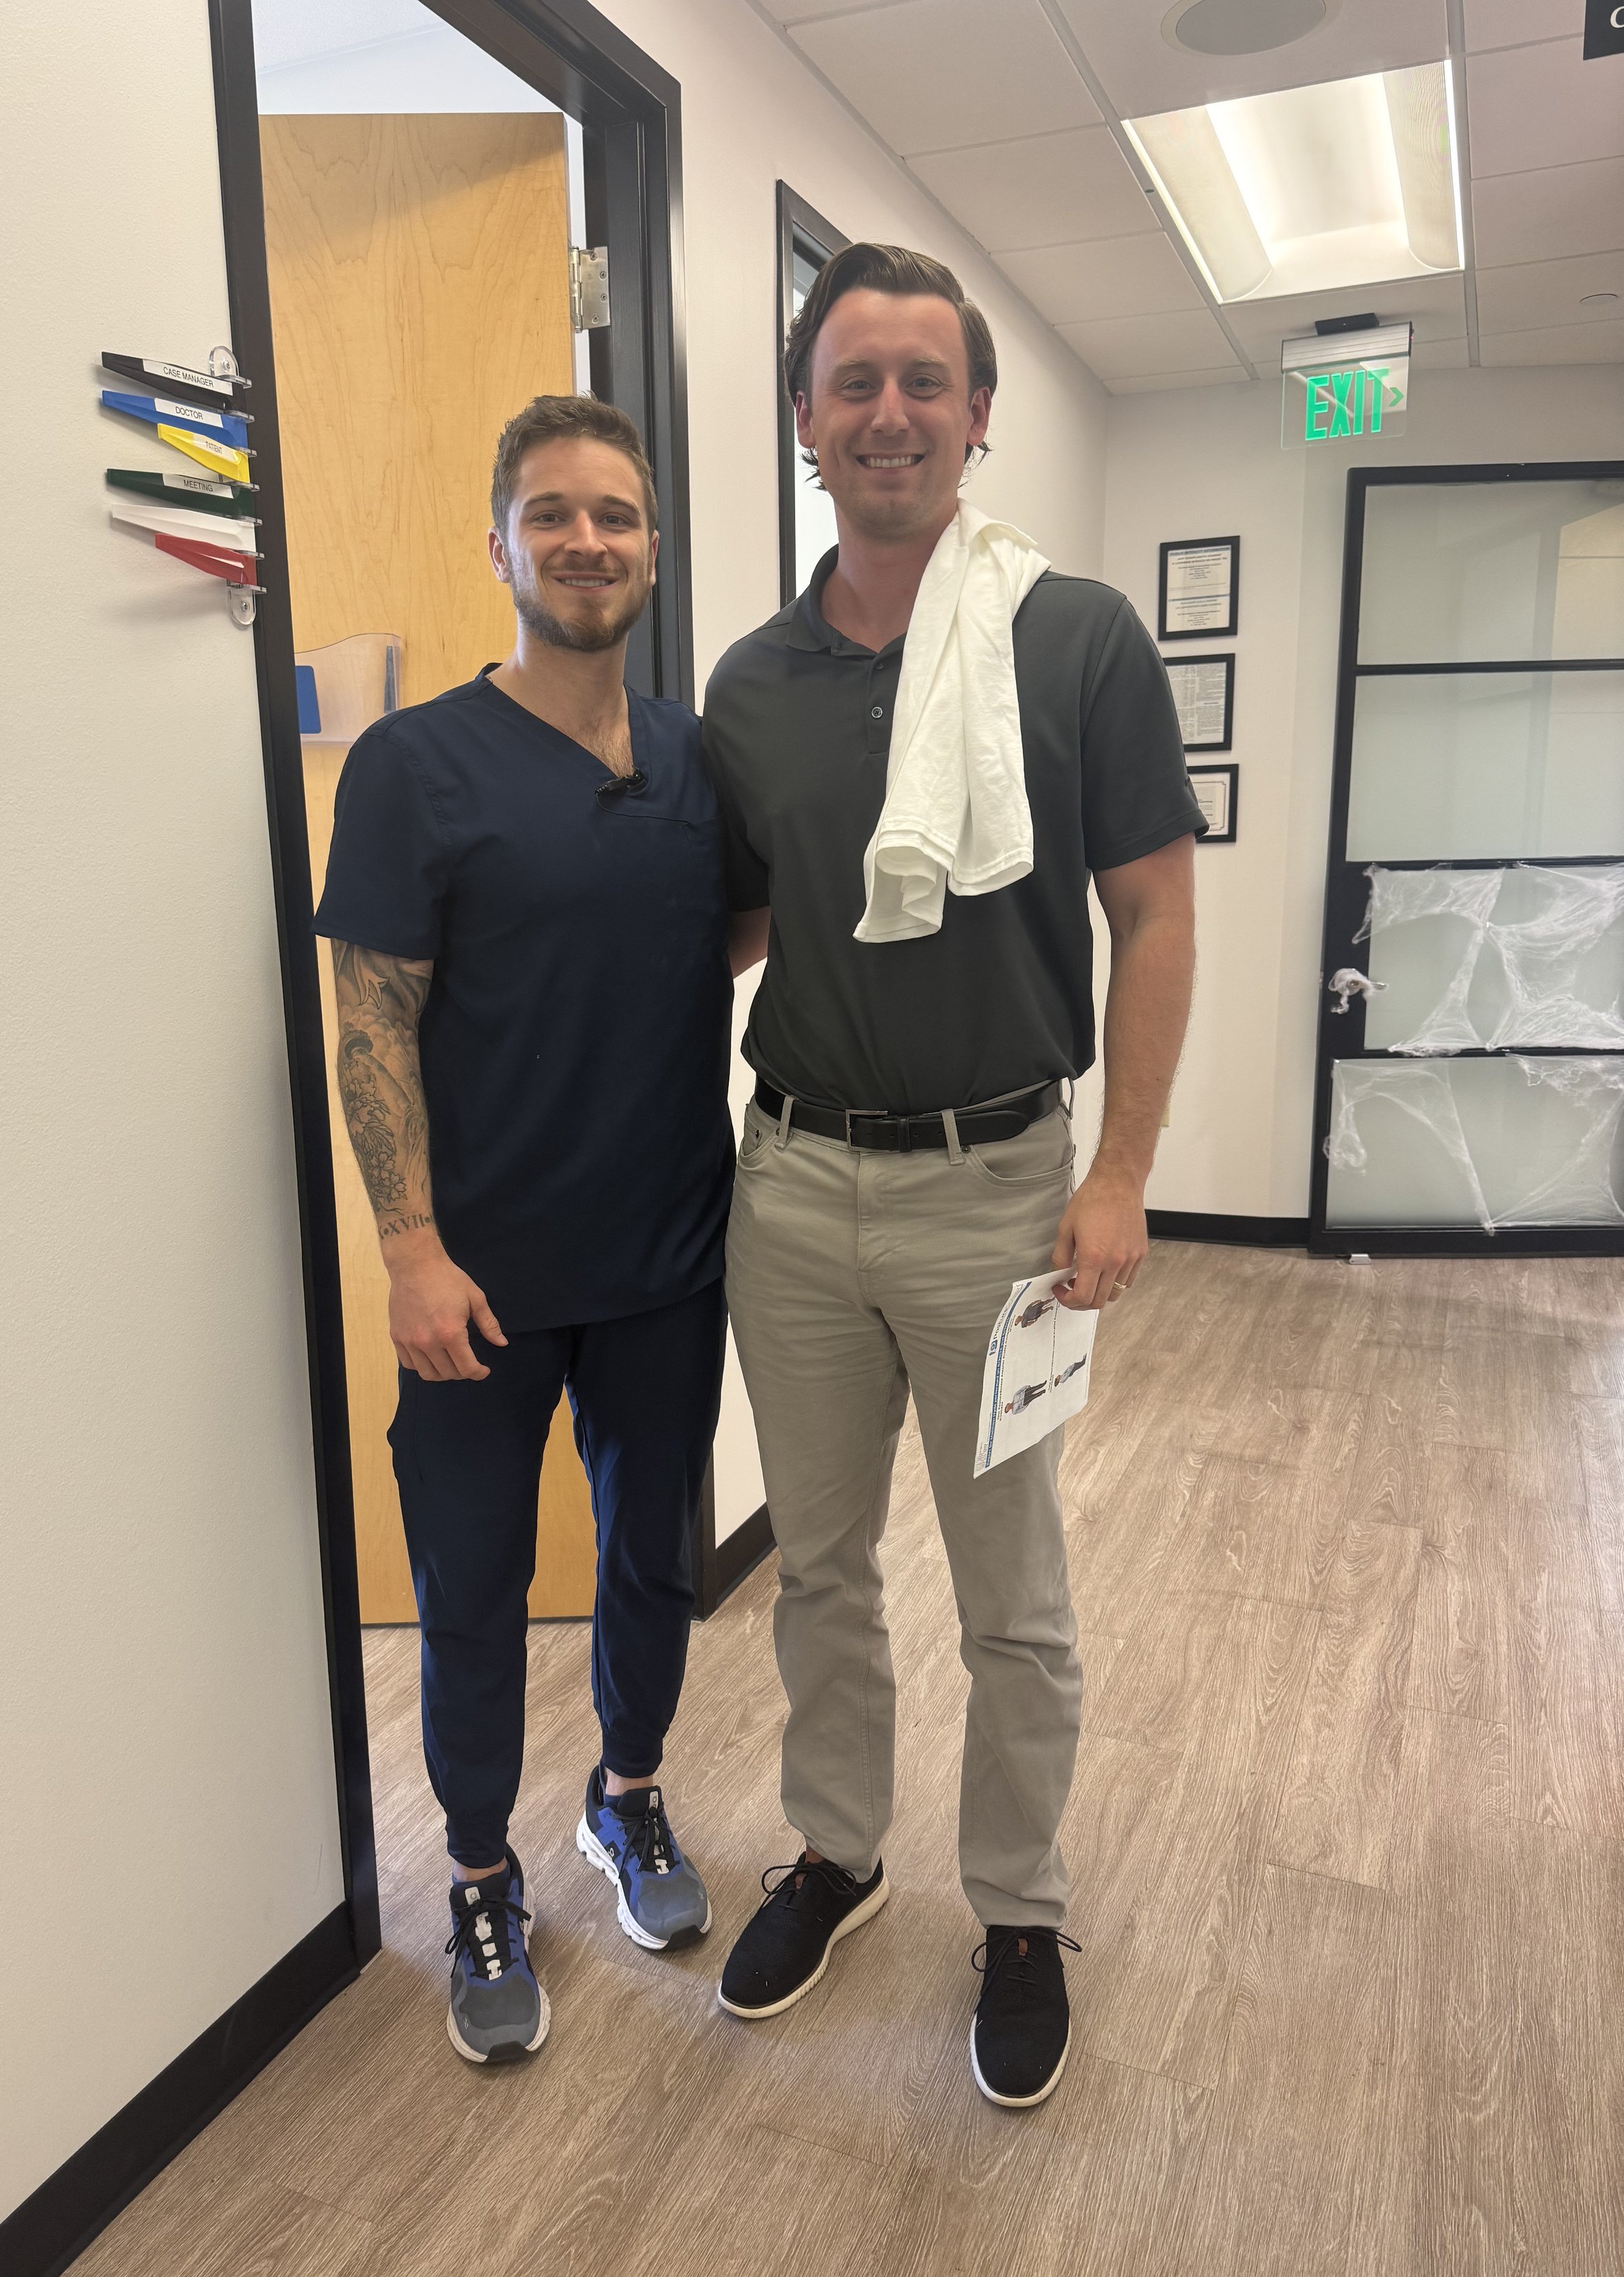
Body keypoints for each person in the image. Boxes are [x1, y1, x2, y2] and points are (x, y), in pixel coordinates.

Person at [703, 245, 1202, 2108]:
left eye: (925, 379)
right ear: (805, 417)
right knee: (819, 1568)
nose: (890, 413)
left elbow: (1152, 912)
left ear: (976, 414)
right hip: (792, 1189)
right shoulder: (750, 681)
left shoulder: (1074, 638)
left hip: (997, 1190)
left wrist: (1120, 1168)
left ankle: (1017, 1905)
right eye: (854, 380)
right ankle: (836, 1849)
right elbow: (736, 918)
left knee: (1013, 1593)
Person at [316, 395, 753, 2067]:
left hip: (667, 1253)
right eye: (551, 513)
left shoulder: (693, 759)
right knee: (473, 1586)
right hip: (479, 1281)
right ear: (499, 542)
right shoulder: (413, 764)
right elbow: (371, 1013)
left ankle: (625, 1795)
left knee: (648, 1560)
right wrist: (409, 1251)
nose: (586, 540)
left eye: (614, 514)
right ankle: (482, 1872)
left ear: (651, 546)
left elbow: (723, 928)